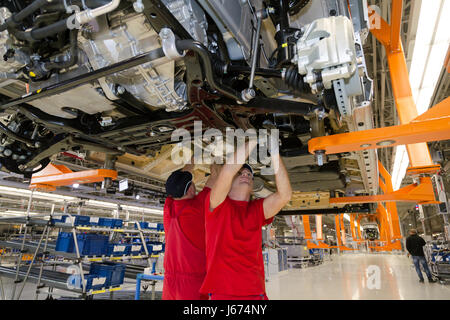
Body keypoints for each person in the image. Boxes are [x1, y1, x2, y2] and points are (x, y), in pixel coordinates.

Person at [200, 139, 292, 300]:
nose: (246, 175)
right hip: (223, 294)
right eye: (241, 173)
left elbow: (284, 196)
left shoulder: (256, 210)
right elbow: (227, 171)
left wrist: (275, 152)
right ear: (229, 182)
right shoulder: (217, 204)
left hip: (255, 293)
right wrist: (255, 138)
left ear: (252, 186)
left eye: (249, 174)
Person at [162, 161, 220, 300]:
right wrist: (216, 159)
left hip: (169, 282)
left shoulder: (168, 208)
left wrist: (192, 161)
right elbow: (216, 175)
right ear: (190, 190)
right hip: (193, 284)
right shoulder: (197, 207)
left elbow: (176, 184)